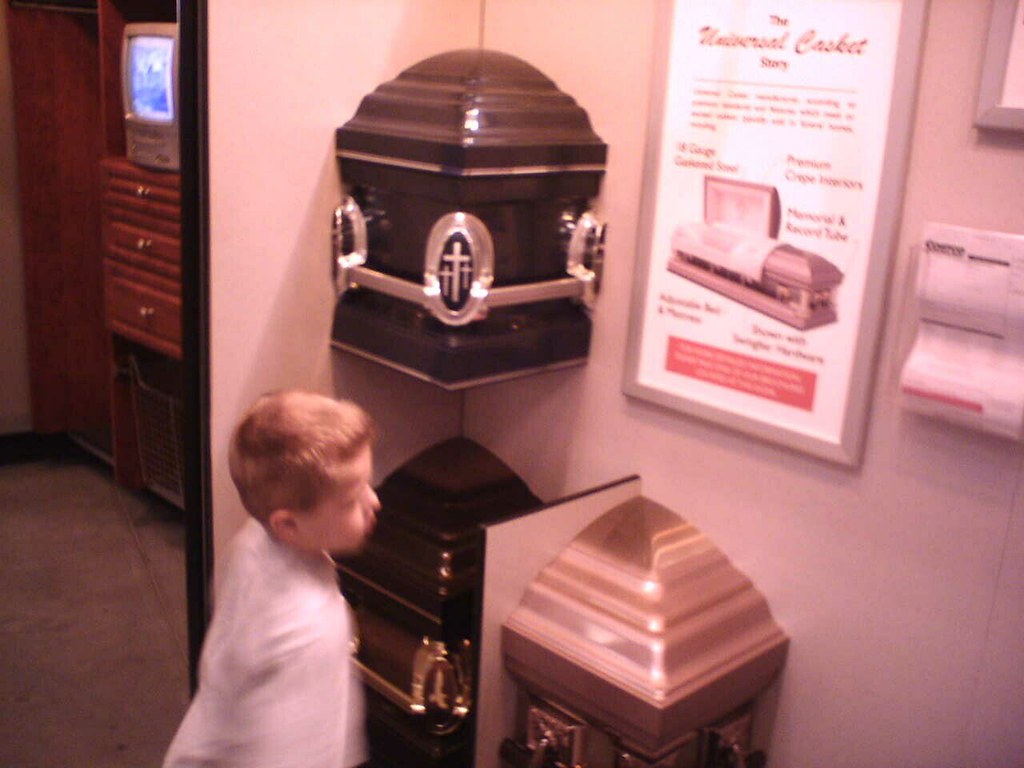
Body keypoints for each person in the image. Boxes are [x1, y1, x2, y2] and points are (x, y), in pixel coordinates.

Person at [163, 390, 380, 768]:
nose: (374, 502)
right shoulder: (310, 628)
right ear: (288, 525)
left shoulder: (252, 544)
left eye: (368, 484)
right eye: (351, 500)